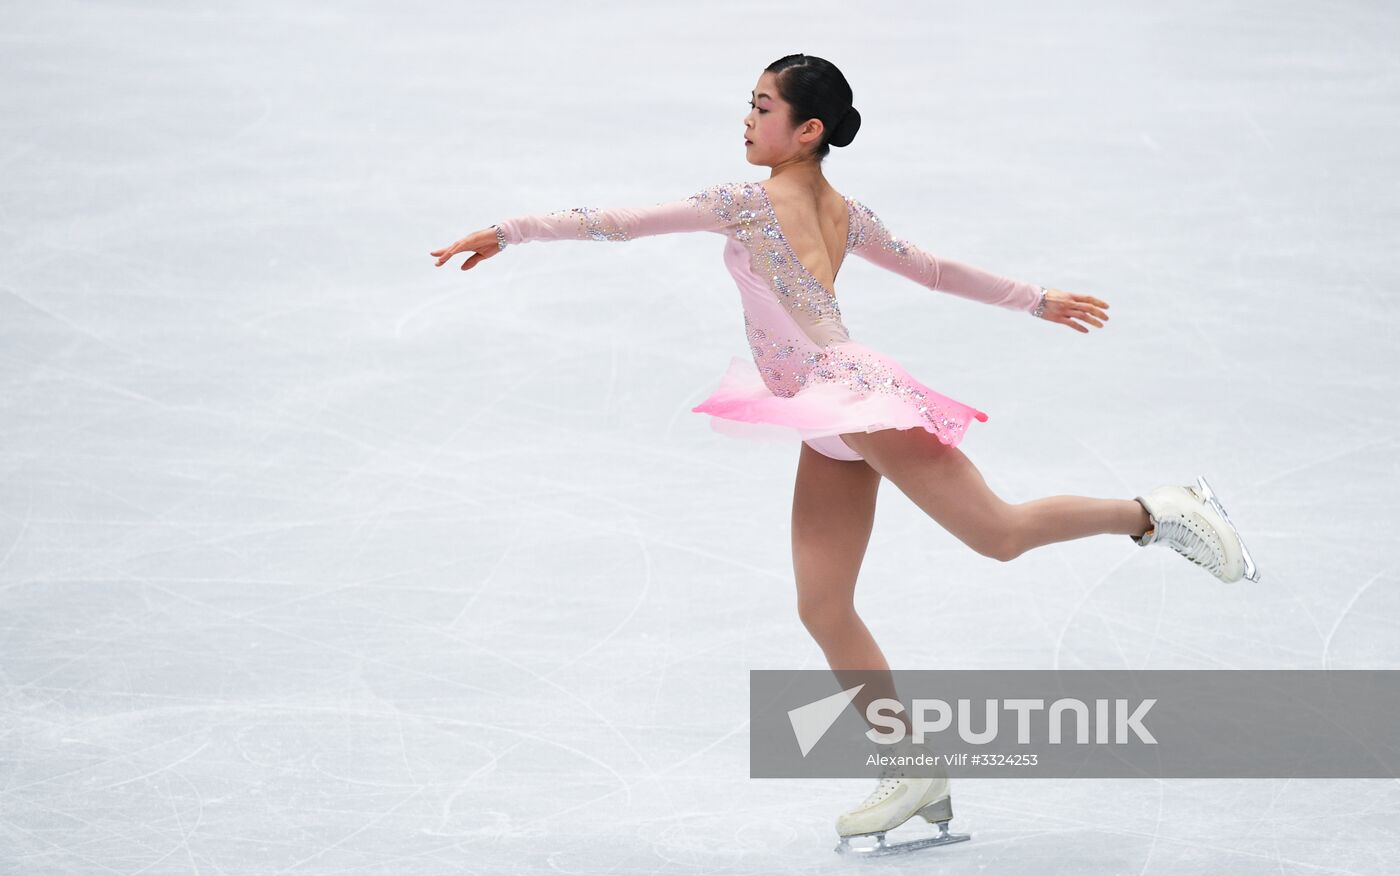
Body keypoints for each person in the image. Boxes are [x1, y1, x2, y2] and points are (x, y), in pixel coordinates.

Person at [430, 53, 1260, 856]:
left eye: (763, 107)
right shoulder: (839, 211)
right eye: (749, 104)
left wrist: (509, 231)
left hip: (851, 392)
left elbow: (620, 223)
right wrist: (1035, 300)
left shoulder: (747, 203)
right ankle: (911, 767)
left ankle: (1159, 511)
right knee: (823, 607)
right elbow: (931, 270)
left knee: (996, 534)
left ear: (806, 130)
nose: (747, 119)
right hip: (819, 413)